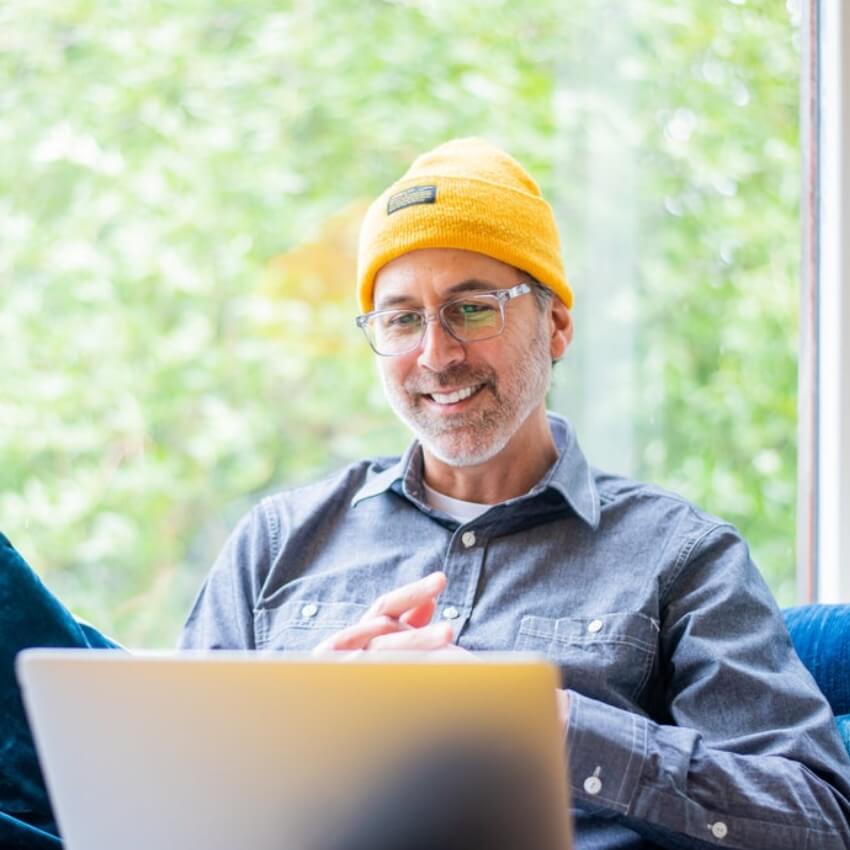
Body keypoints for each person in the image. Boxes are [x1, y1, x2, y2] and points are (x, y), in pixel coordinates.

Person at [179, 138, 850, 849]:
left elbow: (814, 821)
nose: (436, 355)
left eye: (471, 309)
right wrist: (292, 727)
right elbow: (167, 794)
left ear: (556, 324)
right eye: (403, 318)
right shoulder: (277, 542)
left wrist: (538, 721)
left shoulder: (682, 558)